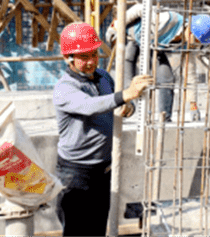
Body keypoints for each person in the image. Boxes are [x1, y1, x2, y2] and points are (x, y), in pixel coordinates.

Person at [53, 22, 152, 237]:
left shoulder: (104, 77)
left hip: (103, 169)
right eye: (83, 57)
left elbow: (117, 103)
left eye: (94, 55)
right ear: (68, 58)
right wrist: (125, 95)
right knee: (77, 231)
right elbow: (89, 105)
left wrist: (127, 107)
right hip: (75, 172)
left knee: (98, 227)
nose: (91, 62)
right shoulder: (64, 88)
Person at [106, 4, 210, 122]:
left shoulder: (186, 44)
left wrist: (193, 105)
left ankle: (164, 117)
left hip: (153, 46)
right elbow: (140, 9)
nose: (196, 45)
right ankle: (125, 109)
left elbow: (190, 74)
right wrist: (116, 26)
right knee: (127, 74)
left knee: (166, 78)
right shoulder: (169, 19)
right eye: (197, 40)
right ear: (191, 31)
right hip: (131, 36)